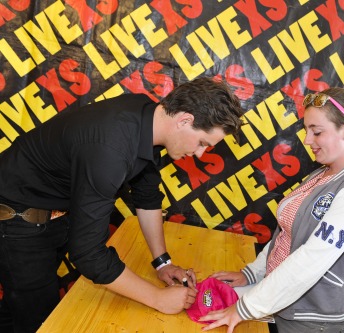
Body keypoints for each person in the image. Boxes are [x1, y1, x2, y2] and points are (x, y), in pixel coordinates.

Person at [0, 77, 244, 333]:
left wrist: (162, 263)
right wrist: (157, 298)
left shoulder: (145, 117)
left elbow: (146, 194)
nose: (200, 154)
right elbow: (88, 254)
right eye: (203, 143)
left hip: (50, 215)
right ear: (184, 120)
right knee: (39, 322)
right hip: (17, 221)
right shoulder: (111, 146)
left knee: (16, 310)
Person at [200, 87, 344, 333]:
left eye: (317, 132)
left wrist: (245, 308)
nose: (308, 140)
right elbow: (288, 234)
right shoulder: (323, 172)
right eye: (307, 130)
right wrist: (252, 273)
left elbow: (311, 259)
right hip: (283, 304)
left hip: (312, 321)